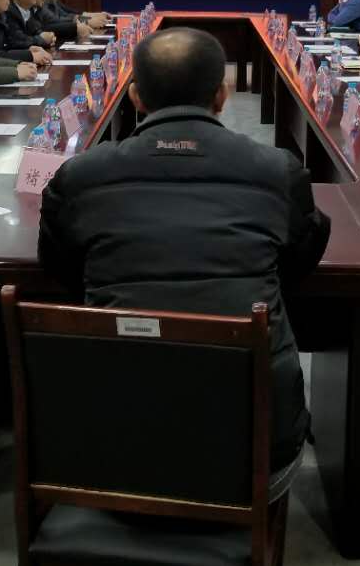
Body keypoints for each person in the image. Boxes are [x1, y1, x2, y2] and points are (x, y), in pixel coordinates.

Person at [38, 27, 330, 483]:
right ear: (222, 95)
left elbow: (59, 265)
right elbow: (300, 258)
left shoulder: (79, 177)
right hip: (254, 442)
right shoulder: (279, 172)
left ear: (134, 97)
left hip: (108, 432)